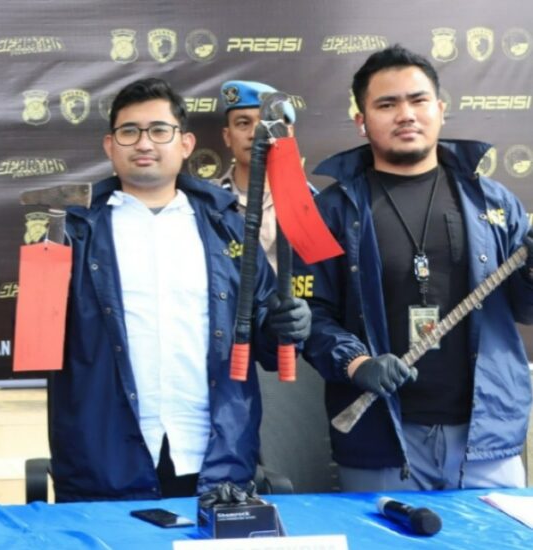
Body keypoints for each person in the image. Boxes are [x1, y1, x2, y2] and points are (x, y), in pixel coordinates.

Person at [46, 78, 311, 502]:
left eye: (159, 130)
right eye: (129, 131)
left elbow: (265, 340)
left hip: (215, 457)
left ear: (186, 144)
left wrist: (287, 325)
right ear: (109, 145)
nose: (143, 143)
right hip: (103, 460)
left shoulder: (228, 226)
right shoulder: (72, 230)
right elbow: (41, 342)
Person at [301, 44, 530, 491]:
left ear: (440, 109)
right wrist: (356, 363)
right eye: (387, 104)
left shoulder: (495, 202)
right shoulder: (329, 211)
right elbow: (311, 315)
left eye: (418, 100)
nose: (405, 114)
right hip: (379, 439)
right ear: (362, 121)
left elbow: (526, 309)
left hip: (487, 441)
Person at [218, 80, 300, 272]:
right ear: (227, 136)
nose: (256, 133)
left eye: (268, 122)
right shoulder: (208, 202)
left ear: (288, 133)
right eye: (243, 123)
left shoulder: (312, 204)